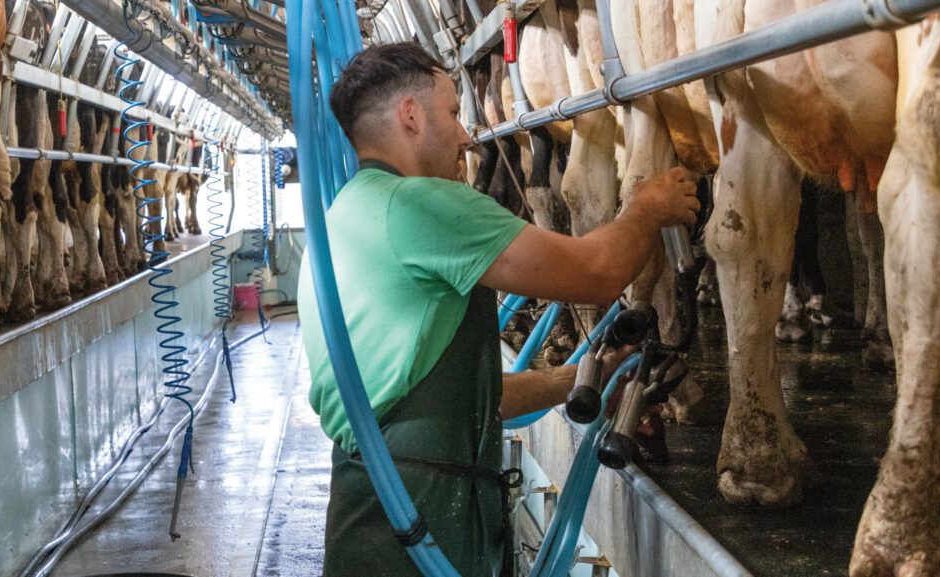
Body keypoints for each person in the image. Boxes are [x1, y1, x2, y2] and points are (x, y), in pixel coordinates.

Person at [297, 42, 699, 577]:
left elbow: (453, 401)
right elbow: (595, 274)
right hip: (424, 517)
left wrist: (577, 380)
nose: (466, 135)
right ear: (410, 116)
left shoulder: (343, 218)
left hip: (371, 512)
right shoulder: (424, 204)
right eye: (452, 112)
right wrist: (647, 209)